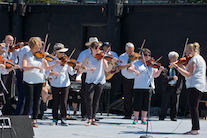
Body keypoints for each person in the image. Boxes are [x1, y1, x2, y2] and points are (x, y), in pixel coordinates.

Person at [22, 37, 60, 128]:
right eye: (37, 46)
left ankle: (34, 120)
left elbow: (47, 68)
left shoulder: (42, 57)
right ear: (32, 46)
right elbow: (24, 67)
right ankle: (24, 120)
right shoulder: (26, 55)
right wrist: (34, 67)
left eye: (39, 46)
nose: (38, 48)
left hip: (39, 81)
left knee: (36, 101)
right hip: (29, 81)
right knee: (29, 100)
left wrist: (55, 64)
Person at [171, 42, 206, 135]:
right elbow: (188, 71)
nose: (185, 54)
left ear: (191, 51)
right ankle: (195, 128)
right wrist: (181, 65)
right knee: (194, 106)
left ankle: (195, 129)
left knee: (193, 107)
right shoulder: (200, 59)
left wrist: (177, 67)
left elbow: (189, 74)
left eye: (186, 51)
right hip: (198, 85)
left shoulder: (194, 59)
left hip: (194, 85)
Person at [79, 42, 117, 126]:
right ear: (91, 49)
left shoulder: (102, 58)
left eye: (98, 48)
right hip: (90, 81)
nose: (98, 50)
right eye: (96, 48)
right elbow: (81, 69)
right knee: (89, 99)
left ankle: (93, 118)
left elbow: (107, 70)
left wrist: (112, 63)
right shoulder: (87, 58)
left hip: (100, 80)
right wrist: (88, 69)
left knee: (96, 101)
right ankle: (89, 118)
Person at [128, 48, 164, 125]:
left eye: (149, 55)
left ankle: (144, 118)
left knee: (146, 103)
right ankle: (136, 118)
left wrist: (160, 70)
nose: (147, 56)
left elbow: (155, 75)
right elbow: (129, 69)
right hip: (138, 86)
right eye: (145, 55)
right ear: (142, 55)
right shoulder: (137, 63)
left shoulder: (152, 65)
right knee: (137, 103)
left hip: (148, 86)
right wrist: (135, 70)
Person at [49, 43, 77, 126]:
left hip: (65, 84)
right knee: (55, 102)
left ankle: (63, 118)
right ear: (57, 52)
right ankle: (54, 119)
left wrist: (75, 68)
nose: (63, 54)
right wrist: (53, 72)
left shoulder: (66, 60)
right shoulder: (51, 60)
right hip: (55, 83)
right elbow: (47, 71)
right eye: (61, 52)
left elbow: (71, 72)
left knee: (64, 102)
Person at [77, 37, 102, 121]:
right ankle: (85, 114)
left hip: (97, 76)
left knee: (95, 98)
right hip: (86, 74)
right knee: (86, 95)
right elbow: (79, 64)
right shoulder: (84, 53)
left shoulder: (100, 54)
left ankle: (93, 115)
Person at [159, 51, 183, 121]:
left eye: (177, 58)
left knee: (175, 103)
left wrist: (180, 67)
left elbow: (183, 74)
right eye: (174, 58)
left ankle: (174, 116)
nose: (176, 60)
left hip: (176, 87)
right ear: (170, 58)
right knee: (165, 102)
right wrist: (172, 78)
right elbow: (164, 78)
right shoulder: (166, 67)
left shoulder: (178, 67)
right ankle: (162, 116)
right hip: (168, 87)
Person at [118, 42, 136, 119]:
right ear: (126, 49)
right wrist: (129, 64)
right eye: (129, 50)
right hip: (126, 78)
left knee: (136, 97)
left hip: (135, 79)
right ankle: (127, 114)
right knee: (127, 97)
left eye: (132, 50)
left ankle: (136, 113)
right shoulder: (122, 57)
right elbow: (120, 67)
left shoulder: (137, 57)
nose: (131, 52)